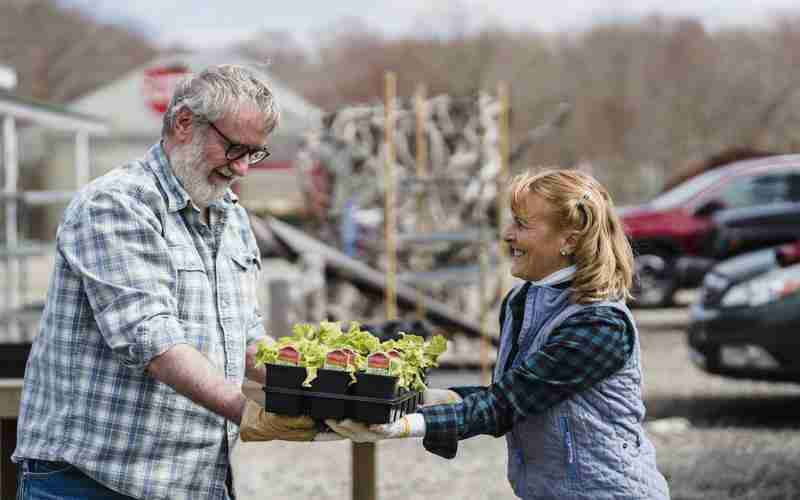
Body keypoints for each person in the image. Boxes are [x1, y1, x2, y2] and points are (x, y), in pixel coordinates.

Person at [13, 65, 336, 500]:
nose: (241, 168)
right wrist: (250, 412)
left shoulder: (231, 216)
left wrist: (327, 387)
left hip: (192, 482)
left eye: (254, 153)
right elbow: (154, 341)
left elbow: (244, 340)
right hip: (92, 482)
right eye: (235, 148)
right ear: (184, 123)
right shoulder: (116, 204)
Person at [328, 169, 671, 499]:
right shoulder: (523, 299)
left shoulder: (599, 325)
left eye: (521, 224)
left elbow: (508, 404)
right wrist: (423, 399)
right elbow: (510, 390)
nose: (507, 234)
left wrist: (405, 425)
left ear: (568, 240)